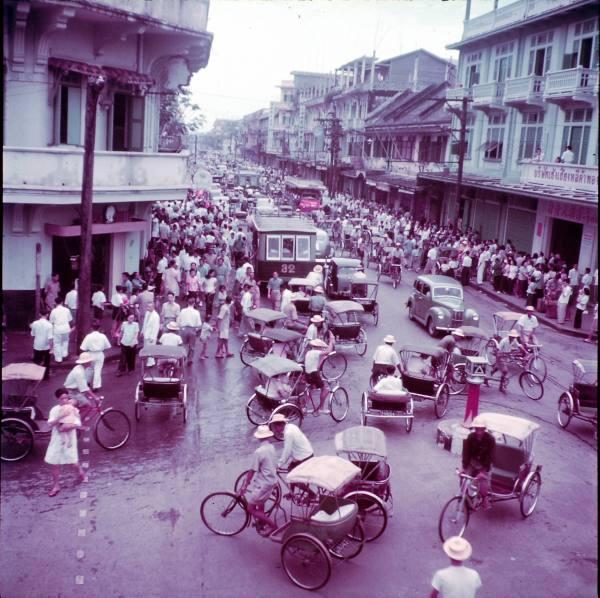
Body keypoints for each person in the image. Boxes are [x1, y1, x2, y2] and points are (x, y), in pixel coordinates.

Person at [45, 388, 88, 497]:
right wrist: (61, 417)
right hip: (57, 439)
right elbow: (50, 424)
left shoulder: (73, 409)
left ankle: (81, 473)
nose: (64, 400)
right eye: (62, 398)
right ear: (58, 399)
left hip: (70, 438)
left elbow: (78, 423)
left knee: (72, 462)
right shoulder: (55, 410)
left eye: (66, 398)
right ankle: (56, 485)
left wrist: (67, 426)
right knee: (54, 462)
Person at [239, 424, 279, 535]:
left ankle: (273, 526)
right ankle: (262, 522)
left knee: (250, 508)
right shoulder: (271, 447)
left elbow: (252, 470)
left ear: (258, 437)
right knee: (261, 503)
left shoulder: (259, 452)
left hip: (264, 483)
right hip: (271, 481)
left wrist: (245, 485)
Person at [461, 415, 496, 510]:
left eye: (481, 429)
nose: (479, 432)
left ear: (484, 429)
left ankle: (485, 499)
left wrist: (483, 471)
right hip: (472, 462)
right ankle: (465, 497)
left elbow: (490, 456)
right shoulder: (470, 437)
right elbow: (466, 452)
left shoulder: (490, 439)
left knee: (483, 484)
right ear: (474, 428)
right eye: (477, 429)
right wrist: (464, 467)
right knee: (463, 479)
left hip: (485, 464)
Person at [79, 321, 111, 391]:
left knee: (89, 368)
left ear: (91, 328)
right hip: (99, 354)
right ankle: (95, 386)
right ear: (99, 328)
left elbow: (83, 347)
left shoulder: (88, 336)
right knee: (98, 370)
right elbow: (108, 346)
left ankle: (87, 382)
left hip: (90, 353)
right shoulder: (103, 336)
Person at [304, 338, 330, 415]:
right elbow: (329, 351)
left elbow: (317, 366)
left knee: (311, 388)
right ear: (318, 347)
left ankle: (304, 407)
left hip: (307, 374)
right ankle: (321, 408)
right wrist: (331, 340)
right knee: (325, 389)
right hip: (313, 374)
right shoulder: (316, 352)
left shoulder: (308, 353)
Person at [178, 296, 202, 363]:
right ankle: (190, 359)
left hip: (184, 329)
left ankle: (182, 357)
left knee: (183, 345)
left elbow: (179, 321)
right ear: (194, 303)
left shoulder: (183, 311)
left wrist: (181, 328)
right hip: (192, 329)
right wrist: (196, 330)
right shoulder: (196, 312)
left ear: (187, 303)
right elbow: (199, 324)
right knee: (192, 346)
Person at [30, 311, 53, 380]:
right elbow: (50, 338)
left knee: (36, 361)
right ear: (47, 315)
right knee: (46, 362)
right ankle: (45, 376)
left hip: (37, 345)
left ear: (40, 314)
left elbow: (33, 335)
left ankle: (34, 376)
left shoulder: (34, 323)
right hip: (46, 346)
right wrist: (51, 347)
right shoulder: (49, 325)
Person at [49, 296, 72, 363]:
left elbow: (51, 321)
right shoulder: (67, 310)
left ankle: (58, 358)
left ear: (55, 303)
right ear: (62, 302)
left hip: (57, 329)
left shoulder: (53, 311)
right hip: (66, 328)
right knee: (65, 341)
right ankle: (64, 354)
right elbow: (70, 319)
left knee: (57, 343)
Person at [116, 312, 139, 376]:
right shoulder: (124, 324)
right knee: (123, 357)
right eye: (130, 318)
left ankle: (131, 369)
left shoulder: (136, 324)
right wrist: (118, 340)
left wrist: (133, 342)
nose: (132, 319)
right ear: (127, 318)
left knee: (131, 357)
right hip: (124, 342)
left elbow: (136, 334)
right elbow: (121, 332)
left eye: (133, 318)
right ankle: (120, 370)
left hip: (132, 344)